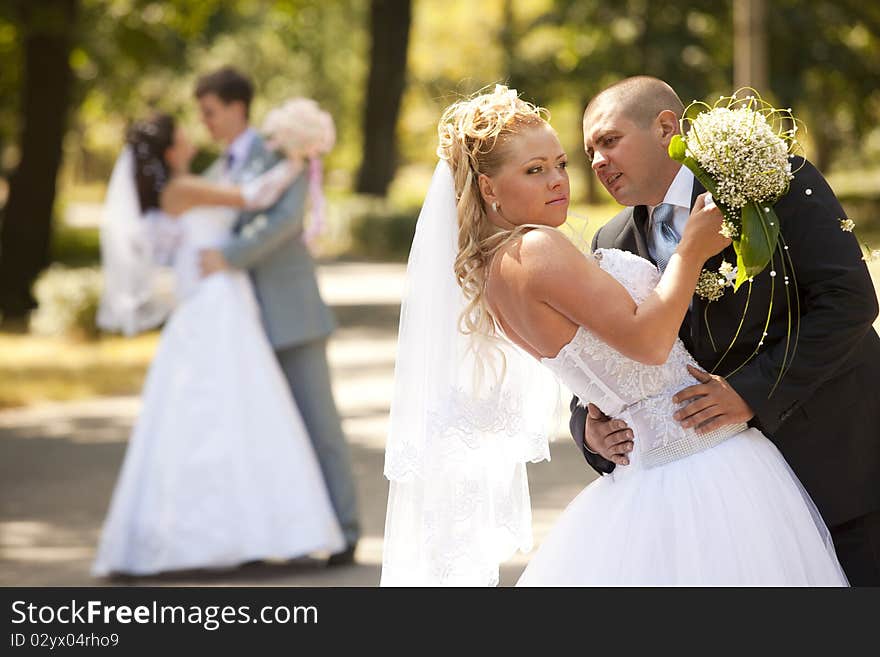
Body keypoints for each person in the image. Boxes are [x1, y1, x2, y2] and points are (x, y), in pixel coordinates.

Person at [381, 85, 848, 586]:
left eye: (560, 164)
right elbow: (645, 346)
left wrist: (589, 422)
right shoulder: (539, 249)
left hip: (655, 469)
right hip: (702, 464)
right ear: (488, 188)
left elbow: (593, 367)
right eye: (534, 170)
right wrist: (691, 253)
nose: (559, 180)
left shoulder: (494, 273)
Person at [574, 76, 880, 586]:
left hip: (836, 467)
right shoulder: (612, 242)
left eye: (609, 140)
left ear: (666, 126)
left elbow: (849, 301)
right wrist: (587, 426)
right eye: (589, 152)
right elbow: (608, 351)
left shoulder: (772, 179)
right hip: (723, 509)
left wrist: (751, 393)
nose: (598, 161)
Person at [92, 113, 345, 577]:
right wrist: (298, 160)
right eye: (183, 134)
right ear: (170, 151)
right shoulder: (183, 189)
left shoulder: (184, 185)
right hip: (215, 303)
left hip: (216, 299)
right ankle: (241, 530)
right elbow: (254, 196)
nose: (192, 136)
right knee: (232, 408)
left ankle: (237, 531)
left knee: (225, 411)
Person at [195, 67, 360, 565]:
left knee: (319, 427)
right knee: (256, 431)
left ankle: (345, 531)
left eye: (211, 111)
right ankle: (267, 535)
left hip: (291, 315)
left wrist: (229, 254)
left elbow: (286, 221)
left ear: (237, 107)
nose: (205, 122)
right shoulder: (212, 169)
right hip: (236, 323)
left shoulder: (279, 150)